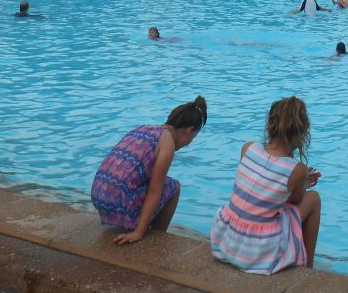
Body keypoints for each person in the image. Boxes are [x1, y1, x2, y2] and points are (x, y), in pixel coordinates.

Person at [211, 96, 322, 273]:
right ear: (302, 134)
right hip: (255, 250)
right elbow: (295, 200)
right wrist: (302, 182)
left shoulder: (248, 148)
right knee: (314, 199)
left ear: (270, 125)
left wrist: (298, 180)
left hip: (224, 239)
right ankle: (308, 270)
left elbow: (268, 184)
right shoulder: (297, 169)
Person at [91, 96, 207, 245]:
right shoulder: (167, 144)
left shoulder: (143, 128)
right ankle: (157, 237)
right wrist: (138, 232)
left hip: (99, 195)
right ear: (190, 131)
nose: (190, 143)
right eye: (194, 136)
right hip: (119, 203)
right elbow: (154, 190)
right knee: (173, 187)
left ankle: (138, 224)